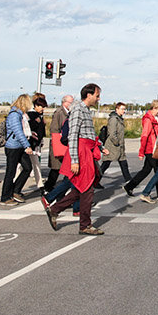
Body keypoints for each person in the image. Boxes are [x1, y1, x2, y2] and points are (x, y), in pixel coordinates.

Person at [43, 83, 105, 235]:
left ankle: (55, 210)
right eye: (97, 95)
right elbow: (73, 135)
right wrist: (75, 160)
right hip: (81, 152)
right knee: (87, 189)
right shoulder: (78, 109)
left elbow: (87, 134)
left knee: (81, 188)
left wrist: (100, 146)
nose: (98, 99)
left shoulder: (84, 110)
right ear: (88, 95)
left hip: (86, 151)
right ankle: (85, 225)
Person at [124, 99, 158, 198]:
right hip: (151, 148)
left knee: (146, 170)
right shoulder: (148, 119)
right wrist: (141, 152)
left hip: (153, 147)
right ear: (155, 107)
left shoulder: (155, 118)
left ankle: (130, 186)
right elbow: (144, 136)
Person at [0, 94, 34, 205]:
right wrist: (27, 145)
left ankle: (15, 190)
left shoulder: (20, 114)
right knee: (11, 172)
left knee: (27, 168)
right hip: (13, 147)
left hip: (18, 146)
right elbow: (18, 131)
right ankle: (5, 197)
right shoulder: (15, 115)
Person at [99, 102, 132, 185]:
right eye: (122, 109)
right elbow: (112, 133)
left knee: (123, 163)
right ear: (117, 109)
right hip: (112, 146)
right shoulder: (114, 119)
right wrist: (117, 142)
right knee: (106, 164)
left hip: (119, 146)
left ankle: (129, 180)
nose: (124, 111)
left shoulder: (119, 118)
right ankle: (95, 181)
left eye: (124, 109)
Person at [23, 95, 47, 191]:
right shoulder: (31, 115)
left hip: (34, 144)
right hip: (30, 144)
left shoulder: (38, 116)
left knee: (35, 165)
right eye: (41, 106)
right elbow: (28, 127)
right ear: (36, 106)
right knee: (24, 166)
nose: (43, 109)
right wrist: (37, 121)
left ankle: (40, 184)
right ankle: (15, 184)